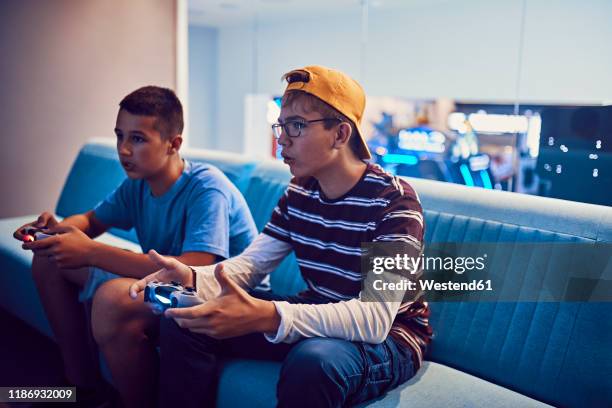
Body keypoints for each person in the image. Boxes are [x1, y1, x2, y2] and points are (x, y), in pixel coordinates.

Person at [131, 66, 433, 407]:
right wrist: (192, 277)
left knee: (314, 361)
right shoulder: (299, 193)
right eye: (281, 125)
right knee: (187, 322)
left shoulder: (394, 201)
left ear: (340, 134)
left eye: (297, 126)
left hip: (391, 336)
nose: (282, 138)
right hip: (320, 307)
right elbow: (250, 266)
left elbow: (375, 318)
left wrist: (270, 314)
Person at [13, 86, 257, 407]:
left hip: (214, 295)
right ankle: (82, 387)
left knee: (113, 299)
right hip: (165, 282)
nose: (124, 150)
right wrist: (58, 231)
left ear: (174, 144)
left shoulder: (207, 188)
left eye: (137, 139)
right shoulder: (137, 186)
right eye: (120, 136)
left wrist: (90, 252)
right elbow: (91, 220)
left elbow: (195, 269)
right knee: (50, 259)